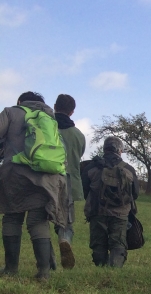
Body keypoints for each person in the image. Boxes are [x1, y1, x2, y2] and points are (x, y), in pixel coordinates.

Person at [0, 91, 67, 280]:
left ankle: (11, 269)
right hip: (46, 177)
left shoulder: (11, 112)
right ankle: (43, 272)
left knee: (12, 218)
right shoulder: (50, 119)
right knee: (38, 221)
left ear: (20, 101)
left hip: (15, 175)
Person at [83, 137, 139, 267]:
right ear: (120, 151)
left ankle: (101, 268)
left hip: (97, 211)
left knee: (98, 243)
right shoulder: (129, 169)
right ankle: (114, 270)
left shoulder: (91, 167)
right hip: (121, 213)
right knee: (118, 242)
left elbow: (84, 189)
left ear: (104, 149)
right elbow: (135, 193)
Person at [53, 93, 85, 270]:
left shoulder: (46, 128)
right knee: (65, 221)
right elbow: (78, 157)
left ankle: (47, 261)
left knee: (40, 222)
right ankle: (64, 239)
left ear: (54, 107)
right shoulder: (78, 135)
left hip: (45, 179)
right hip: (68, 182)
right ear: (72, 112)